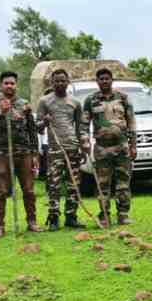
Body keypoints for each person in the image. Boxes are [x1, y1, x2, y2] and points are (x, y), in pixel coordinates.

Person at [0, 71, 44, 237]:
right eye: (6, 83)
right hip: (3, 152)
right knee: (0, 191)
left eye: (12, 83)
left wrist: (35, 154)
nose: (9, 86)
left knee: (29, 190)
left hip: (24, 152)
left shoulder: (24, 104)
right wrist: (1, 113)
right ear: (1, 85)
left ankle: (32, 222)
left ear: (16, 85)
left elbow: (32, 130)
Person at [80, 68, 137, 227]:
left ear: (112, 80)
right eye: (101, 79)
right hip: (101, 149)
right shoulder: (90, 100)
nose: (104, 81)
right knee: (102, 184)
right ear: (97, 81)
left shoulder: (123, 98)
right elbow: (84, 124)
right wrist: (84, 141)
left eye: (107, 78)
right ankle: (104, 215)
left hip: (122, 147)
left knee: (123, 183)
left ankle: (123, 214)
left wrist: (133, 145)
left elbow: (131, 121)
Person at [36, 69, 86, 231]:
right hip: (55, 149)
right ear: (52, 82)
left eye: (63, 81)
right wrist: (44, 121)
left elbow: (80, 128)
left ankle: (71, 217)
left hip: (73, 148)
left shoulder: (75, 102)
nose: (60, 84)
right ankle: (54, 218)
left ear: (68, 82)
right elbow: (37, 127)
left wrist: (84, 146)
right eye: (56, 81)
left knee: (74, 184)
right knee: (54, 184)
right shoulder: (44, 101)